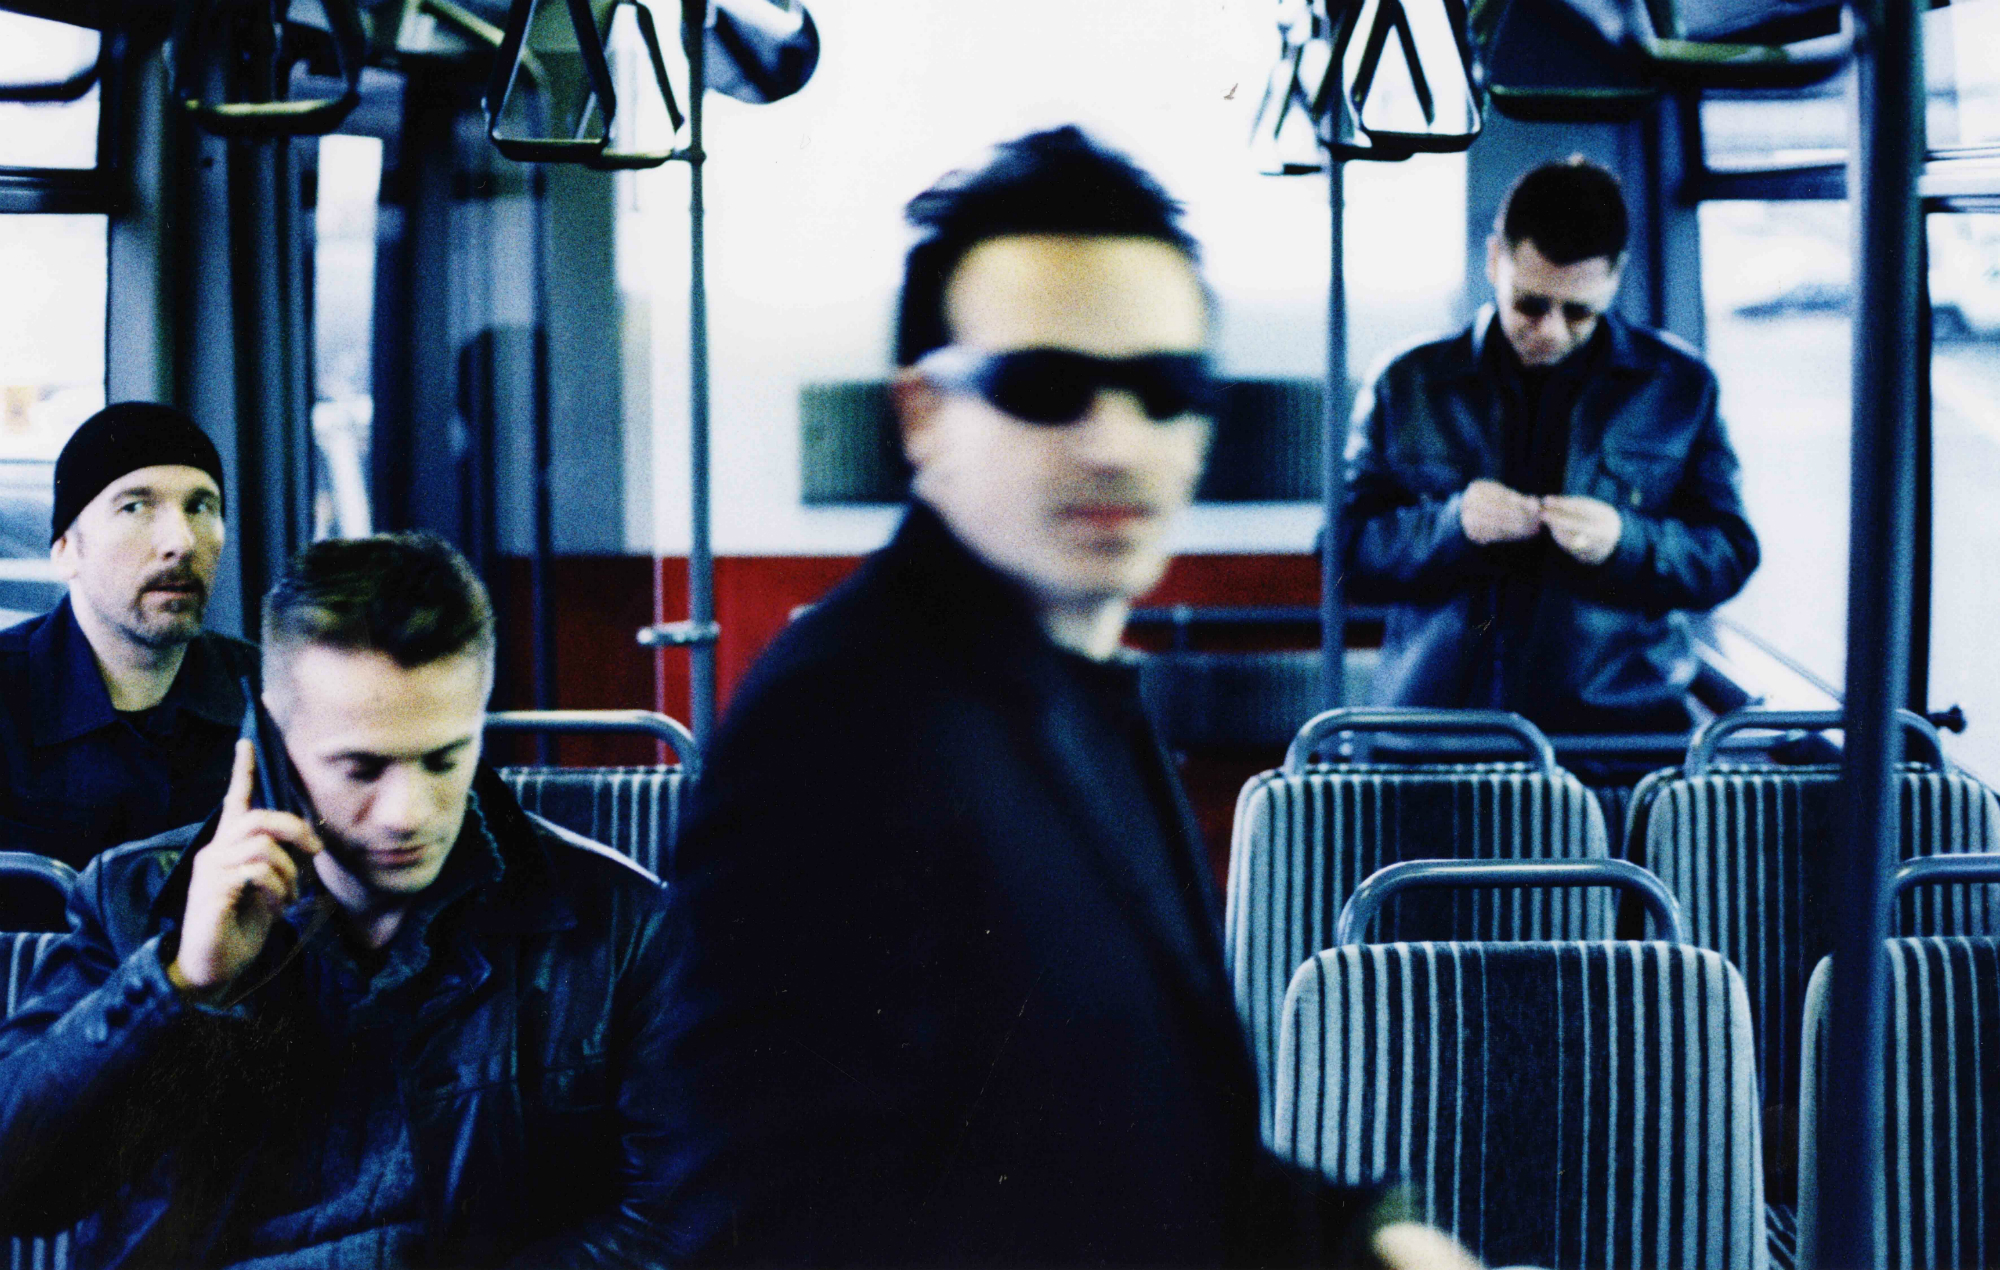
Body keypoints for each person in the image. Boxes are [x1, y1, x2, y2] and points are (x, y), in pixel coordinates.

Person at [653, 127, 1477, 1270]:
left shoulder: (1082, 689)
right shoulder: (834, 730)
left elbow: (1157, 1149)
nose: (1115, 442)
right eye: (1044, 388)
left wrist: (1371, 1239)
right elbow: (769, 1232)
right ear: (921, 416)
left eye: (1165, 390)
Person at [0, 533, 677, 1267]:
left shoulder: (621, 926)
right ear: (271, 740)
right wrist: (178, 983)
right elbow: (20, 1191)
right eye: (361, 768)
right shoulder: (134, 899)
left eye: (444, 760)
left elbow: (672, 1222)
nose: (407, 814)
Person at [1342, 158, 1759, 735]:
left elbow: (1729, 554)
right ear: (1495, 260)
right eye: (1531, 304)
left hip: (1617, 740)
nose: (1552, 331)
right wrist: (1451, 525)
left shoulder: (1682, 388)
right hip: (1436, 734)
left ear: (1616, 278)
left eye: (1580, 312)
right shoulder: (1407, 382)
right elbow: (1344, 552)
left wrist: (1626, 542)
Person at [0, 403, 257, 873]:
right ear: (65, 550)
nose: (181, 542)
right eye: (135, 506)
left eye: (201, 506)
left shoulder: (268, 693)